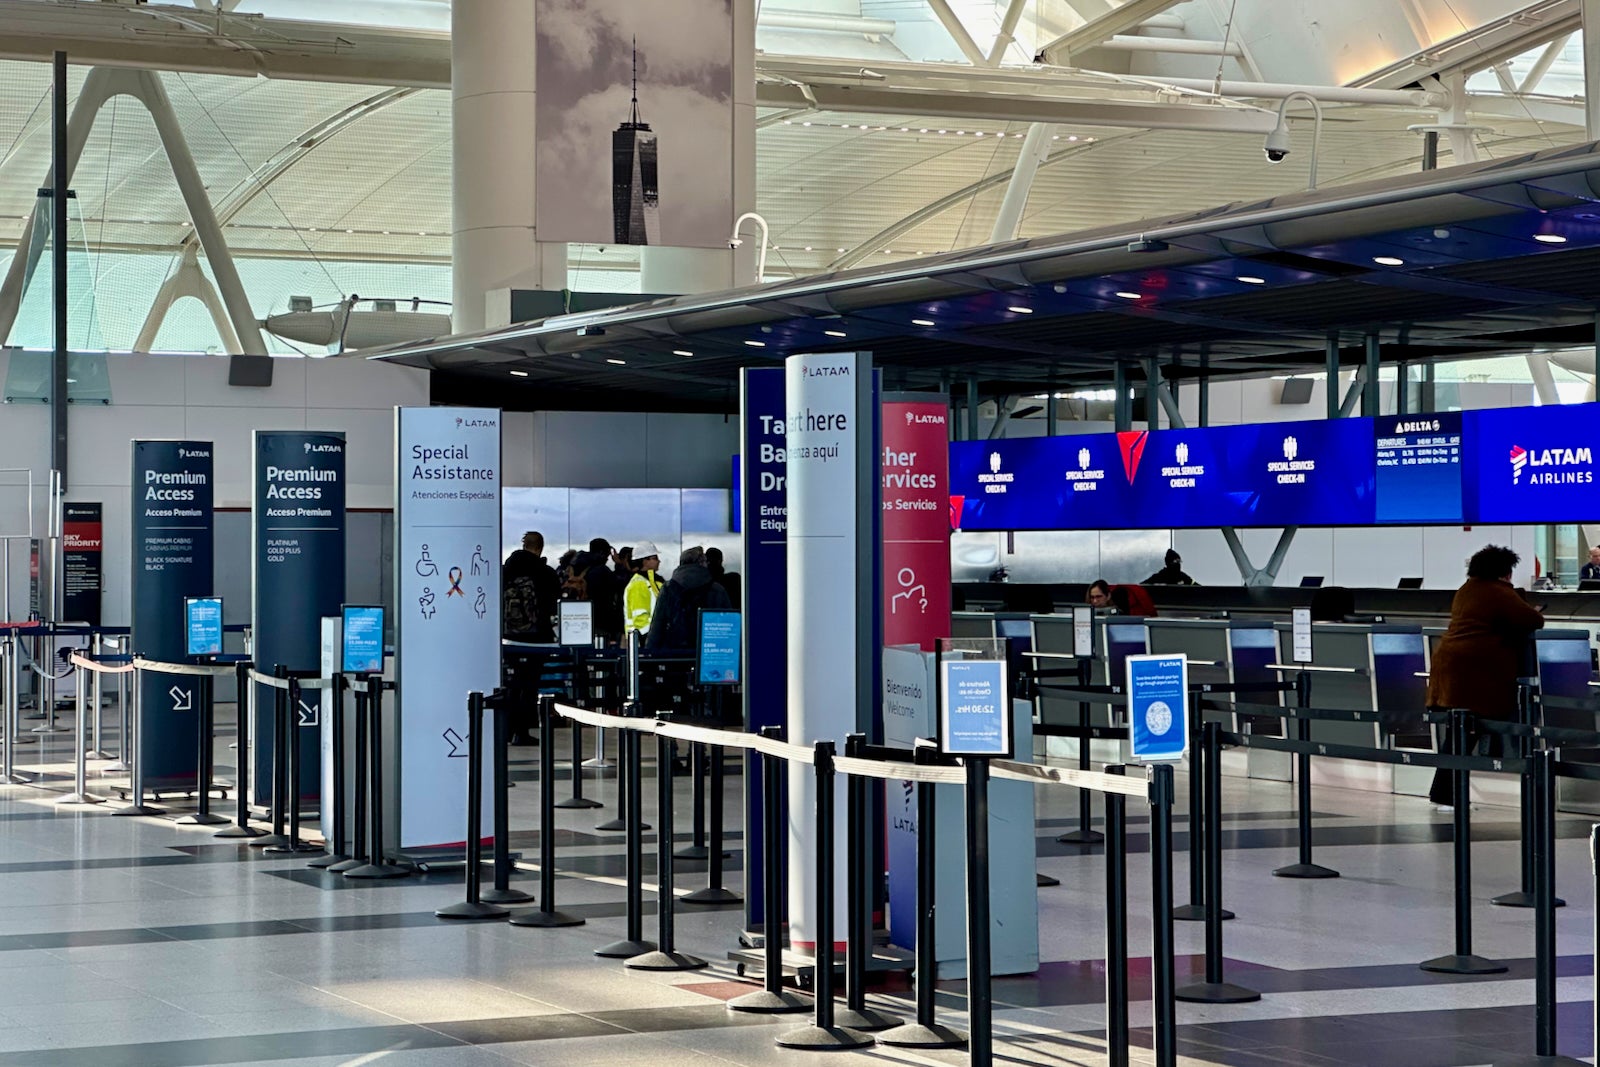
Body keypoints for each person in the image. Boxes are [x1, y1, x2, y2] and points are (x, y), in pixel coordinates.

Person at [1426, 544, 1544, 807]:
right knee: (1466, 734)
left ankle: (1443, 794)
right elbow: (1533, 620)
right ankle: (1447, 796)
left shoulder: (1467, 589)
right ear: (1504, 572)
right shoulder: (1498, 591)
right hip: (1474, 674)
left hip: (1451, 668)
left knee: (1457, 734)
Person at [647, 545, 732, 651]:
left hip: (673, 651)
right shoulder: (717, 590)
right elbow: (727, 624)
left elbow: (658, 624)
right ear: (703, 563)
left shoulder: (668, 588)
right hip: (708, 651)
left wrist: (650, 651)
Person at [503, 532, 559, 642]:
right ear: (540, 548)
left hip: (509, 637)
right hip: (539, 637)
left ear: (524, 546)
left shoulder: (505, 572)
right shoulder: (548, 574)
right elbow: (554, 606)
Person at [624, 542, 665, 638]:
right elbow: (640, 619)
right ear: (645, 561)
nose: (659, 561)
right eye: (655, 558)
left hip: (652, 637)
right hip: (642, 640)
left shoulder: (656, 582)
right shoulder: (638, 584)